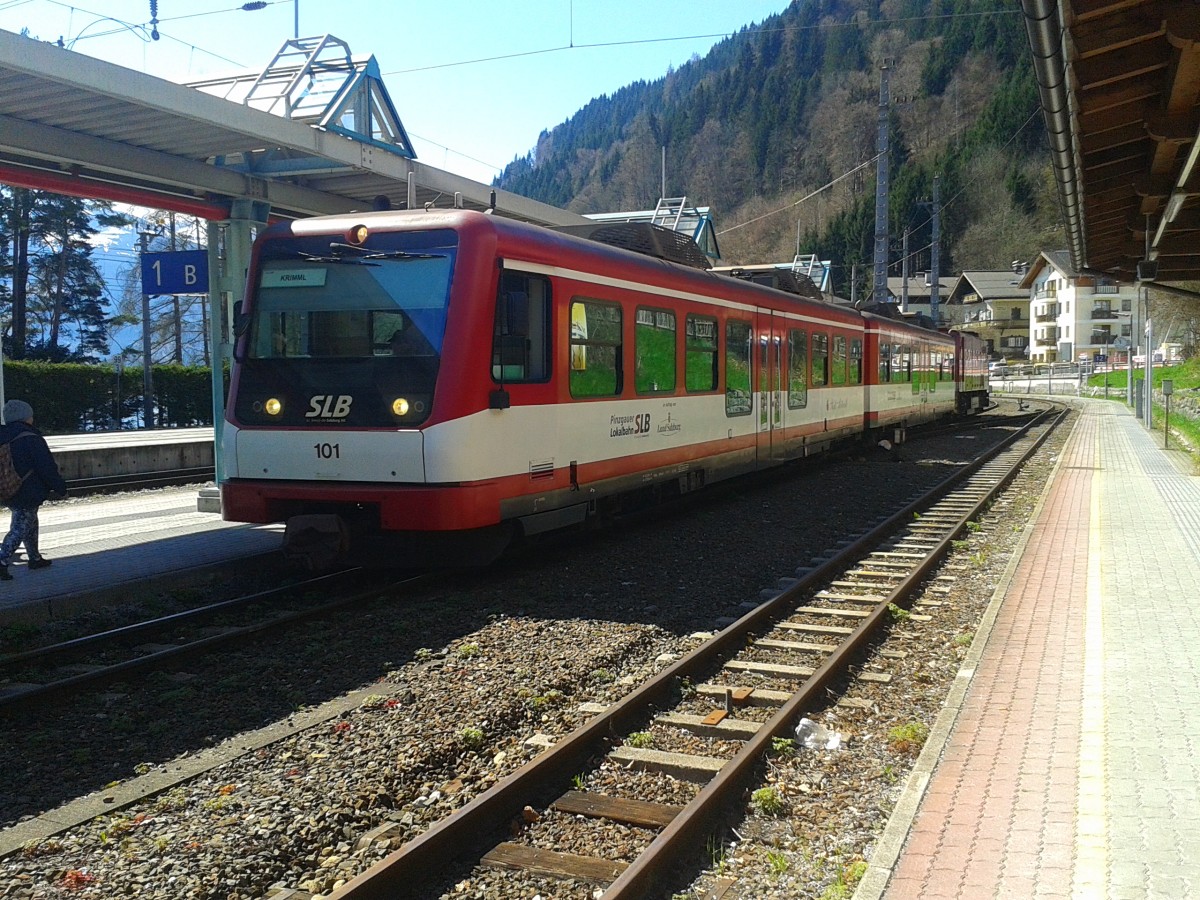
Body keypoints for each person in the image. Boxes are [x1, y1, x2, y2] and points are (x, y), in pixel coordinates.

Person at [0, 399, 66, 580]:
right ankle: (2, 559)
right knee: (21, 526)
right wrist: (60, 487)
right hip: (27, 488)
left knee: (28, 520)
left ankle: (34, 558)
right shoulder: (30, 437)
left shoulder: (3, 434)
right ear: (26, 417)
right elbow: (46, 467)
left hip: (6, 487)